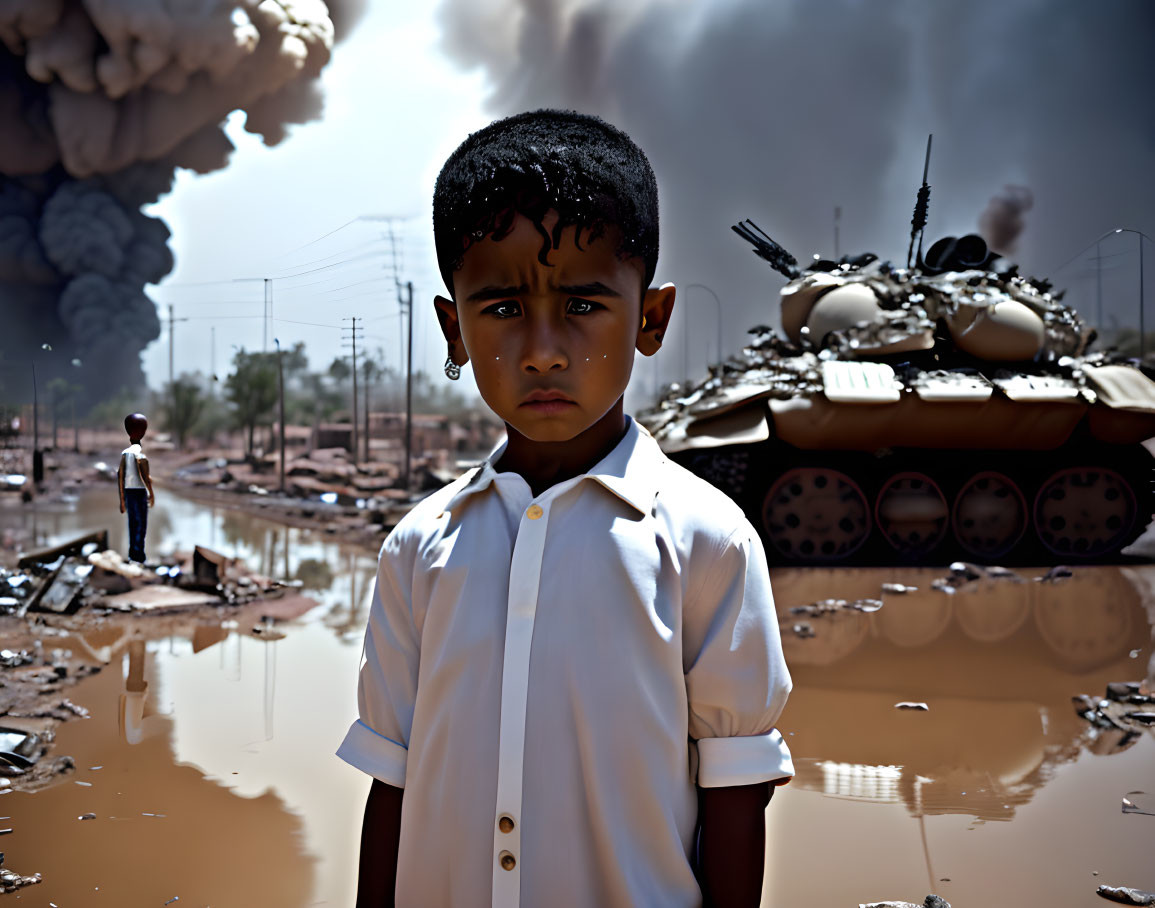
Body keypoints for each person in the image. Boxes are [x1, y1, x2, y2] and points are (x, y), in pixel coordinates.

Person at [338, 109, 793, 908]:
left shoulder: (707, 541)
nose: (543, 348)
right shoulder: (417, 547)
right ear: (453, 329)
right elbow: (392, 778)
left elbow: (734, 791)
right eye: (503, 309)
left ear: (649, 319)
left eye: (582, 306)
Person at [118, 412, 154, 563]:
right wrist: (152, 493)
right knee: (141, 525)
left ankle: (133, 553)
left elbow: (119, 475)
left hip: (128, 492)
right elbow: (146, 478)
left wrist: (122, 499)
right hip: (138, 492)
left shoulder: (125, 454)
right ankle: (138, 555)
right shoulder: (140, 456)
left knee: (133, 524)